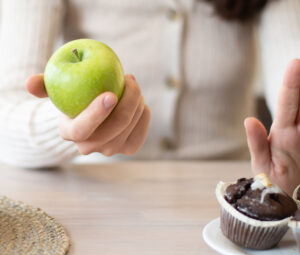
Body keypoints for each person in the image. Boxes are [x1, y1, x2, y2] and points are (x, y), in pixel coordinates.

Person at [0, 0, 299, 196]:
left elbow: (293, 76)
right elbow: (6, 115)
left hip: (229, 204)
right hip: (99, 200)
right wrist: (69, 123)